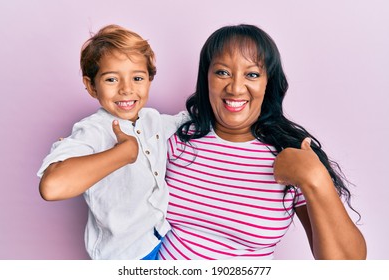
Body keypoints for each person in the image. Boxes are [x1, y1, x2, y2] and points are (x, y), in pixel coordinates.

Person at [157, 24, 367, 260]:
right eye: (222, 72)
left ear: (268, 83)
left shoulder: (292, 154)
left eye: (252, 74)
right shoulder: (176, 139)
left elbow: (349, 265)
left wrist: (315, 178)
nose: (235, 88)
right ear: (206, 78)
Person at [37, 24, 186, 260]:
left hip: (161, 240)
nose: (126, 89)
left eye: (137, 78)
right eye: (111, 79)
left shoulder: (153, 119)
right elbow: (51, 187)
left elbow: (189, 118)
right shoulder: (92, 131)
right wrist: (122, 154)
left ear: (149, 80)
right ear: (91, 86)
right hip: (123, 256)